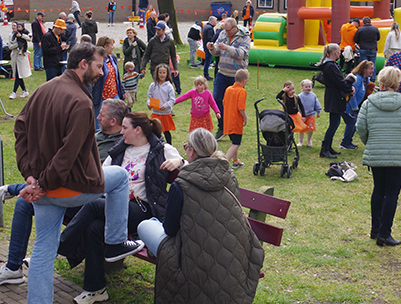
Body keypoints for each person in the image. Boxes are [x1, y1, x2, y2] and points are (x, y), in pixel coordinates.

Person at [14, 43, 144, 303]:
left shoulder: (42, 89)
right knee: (119, 176)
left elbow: (20, 129)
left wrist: (30, 175)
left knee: (43, 249)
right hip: (68, 187)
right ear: (83, 64)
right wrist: (41, 182)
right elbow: (67, 153)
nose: (101, 73)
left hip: (44, 188)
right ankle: (116, 242)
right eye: (98, 66)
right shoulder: (82, 102)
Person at [0, 99, 129, 289]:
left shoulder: (122, 143)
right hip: (69, 190)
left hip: (89, 200)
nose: (97, 117)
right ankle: (13, 268)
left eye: (102, 115)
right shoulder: (95, 136)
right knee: (25, 203)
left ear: (114, 121)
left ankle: (11, 189)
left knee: (37, 196)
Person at [58, 112, 184, 304]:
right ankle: (95, 289)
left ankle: (61, 246)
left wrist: (179, 162)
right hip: (113, 205)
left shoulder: (161, 148)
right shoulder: (120, 150)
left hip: (142, 209)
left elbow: (190, 168)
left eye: (125, 128)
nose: (121, 132)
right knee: (94, 228)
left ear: (138, 130)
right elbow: (102, 175)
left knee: (93, 206)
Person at [137, 128, 264, 303]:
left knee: (146, 225)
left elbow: (170, 230)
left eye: (186, 147)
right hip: (233, 251)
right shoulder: (229, 176)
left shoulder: (181, 185)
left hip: (193, 254)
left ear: (192, 151)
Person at [357, 66, 401, 247]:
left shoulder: (369, 102)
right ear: (397, 82)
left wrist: (370, 142)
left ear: (381, 80)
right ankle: (384, 233)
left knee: (378, 190)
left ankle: (375, 230)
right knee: (391, 194)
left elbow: (361, 128)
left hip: (377, 152)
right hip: (398, 156)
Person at [207, 17, 250, 140]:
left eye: (229, 31)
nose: (227, 33)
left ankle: (234, 128)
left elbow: (241, 54)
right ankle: (222, 127)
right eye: (225, 30)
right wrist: (212, 48)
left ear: (235, 28)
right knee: (216, 99)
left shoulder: (245, 36)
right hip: (222, 72)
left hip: (236, 76)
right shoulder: (222, 34)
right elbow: (216, 52)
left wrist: (226, 47)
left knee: (235, 105)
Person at [319, 43, 355, 159]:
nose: (340, 54)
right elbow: (339, 82)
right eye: (340, 51)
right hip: (334, 97)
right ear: (335, 53)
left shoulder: (330, 64)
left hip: (334, 96)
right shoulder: (330, 66)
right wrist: (350, 88)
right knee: (334, 123)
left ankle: (328, 147)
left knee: (335, 123)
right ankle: (325, 148)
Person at [92, 36, 124, 131]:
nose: (113, 47)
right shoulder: (97, 60)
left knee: (118, 119)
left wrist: (122, 91)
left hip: (114, 94)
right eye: (111, 45)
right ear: (105, 47)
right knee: (100, 124)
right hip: (102, 96)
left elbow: (116, 76)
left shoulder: (112, 57)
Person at [223, 68, 249, 168]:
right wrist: (245, 118)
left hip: (228, 120)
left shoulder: (228, 89)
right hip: (236, 121)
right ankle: (224, 163)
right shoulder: (242, 91)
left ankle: (235, 161)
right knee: (236, 144)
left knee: (233, 142)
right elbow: (241, 108)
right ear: (244, 81)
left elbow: (224, 103)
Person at [147, 64, 176, 144]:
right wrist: (149, 103)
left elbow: (172, 100)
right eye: (160, 72)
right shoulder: (153, 85)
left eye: (164, 72)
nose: (162, 75)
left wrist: (166, 105)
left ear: (167, 74)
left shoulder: (169, 86)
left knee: (166, 131)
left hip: (165, 112)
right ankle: (156, 145)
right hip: (155, 112)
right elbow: (149, 96)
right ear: (157, 73)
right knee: (155, 130)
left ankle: (169, 145)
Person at [353, 16, 380, 83]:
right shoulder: (375, 29)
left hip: (363, 49)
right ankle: (372, 80)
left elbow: (355, 39)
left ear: (363, 22)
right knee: (373, 65)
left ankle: (365, 79)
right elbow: (378, 38)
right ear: (370, 22)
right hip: (373, 49)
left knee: (364, 65)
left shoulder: (360, 29)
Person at [9, 22, 32, 99]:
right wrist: (18, 45)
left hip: (21, 56)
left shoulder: (23, 33)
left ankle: (14, 92)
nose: (14, 27)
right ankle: (24, 90)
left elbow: (29, 38)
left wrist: (21, 36)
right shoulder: (11, 35)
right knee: (18, 75)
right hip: (15, 56)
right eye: (13, 26)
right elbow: (10, 46)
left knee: (19, 74)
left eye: (16, 26)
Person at [298, 79, 321, 147]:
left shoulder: (313, 95)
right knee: (301, 129)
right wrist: (299, 114)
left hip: (311, 115)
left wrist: (318, 111)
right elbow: (297, 106)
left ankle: (309, 139)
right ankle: (301, 141)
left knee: (310, 128)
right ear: (302, 87)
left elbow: (317, 103)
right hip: (302, 116)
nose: (308, 88)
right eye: (306, 87)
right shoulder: (300, 96)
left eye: (309, 86)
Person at [202, 16, 217, 80]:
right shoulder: (210, 28)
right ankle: (206, 75)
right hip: (208, 46)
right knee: (208, 60)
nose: (216, 23)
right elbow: (210, 38)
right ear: (212, 21)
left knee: (207, 60)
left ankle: (206, 74)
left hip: (205, 45)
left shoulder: (205, 26)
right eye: (216, 21)